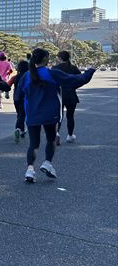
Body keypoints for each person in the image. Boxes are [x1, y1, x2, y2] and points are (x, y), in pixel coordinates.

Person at [18, 48, 95, 183]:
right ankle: (47, 163)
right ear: (45, 58)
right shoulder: (52, 73)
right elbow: (76, 80)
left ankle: (30, 169)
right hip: (50, 113)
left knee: (34, 144)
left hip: (32, 113)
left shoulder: (26, 76)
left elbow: (19, 94)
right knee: (51, 139)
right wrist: (90, 70)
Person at [52, 50, 82, 144]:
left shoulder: (55, 68)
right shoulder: (73, 68)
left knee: (58, 116)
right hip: (71, 94)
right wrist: (73, 87)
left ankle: (56, 133)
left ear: (60, 58)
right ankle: (70, 135)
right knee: (70, 116)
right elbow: (80, 79)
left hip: (59, 95)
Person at [8, 60, 29, 143]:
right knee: (22, 115)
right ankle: (18, 129)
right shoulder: (28, 77)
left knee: (19, 114)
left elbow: (8, 85)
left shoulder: (15, 77)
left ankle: (22, 130)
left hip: (16, 98)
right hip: (25, 98)